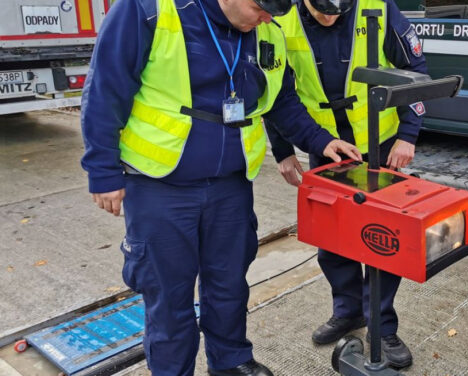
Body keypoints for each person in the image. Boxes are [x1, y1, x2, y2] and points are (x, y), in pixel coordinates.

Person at [79, 0, 362, 374]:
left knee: (229, 285)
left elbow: (282, 101)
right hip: (161, 186)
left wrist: (321, 141)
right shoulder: (149, 11)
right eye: (260, 8)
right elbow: (104, 90)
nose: (267, 18)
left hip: (230, 186)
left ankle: (230, 361)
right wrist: (102, 171)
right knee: (169, 296)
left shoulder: (267, 31)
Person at [264, 0, 427, 368]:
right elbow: (275, 93)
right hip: (326, 148)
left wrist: (408, 135)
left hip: (382, 147)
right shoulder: (280, 19)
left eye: (338, 10)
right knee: (332, 240)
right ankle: (348, 310)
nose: (330, 17)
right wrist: (282, 151)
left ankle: (381, 326)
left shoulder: (379, 9)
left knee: (384, 240)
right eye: (322, 11)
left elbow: (415, 69)